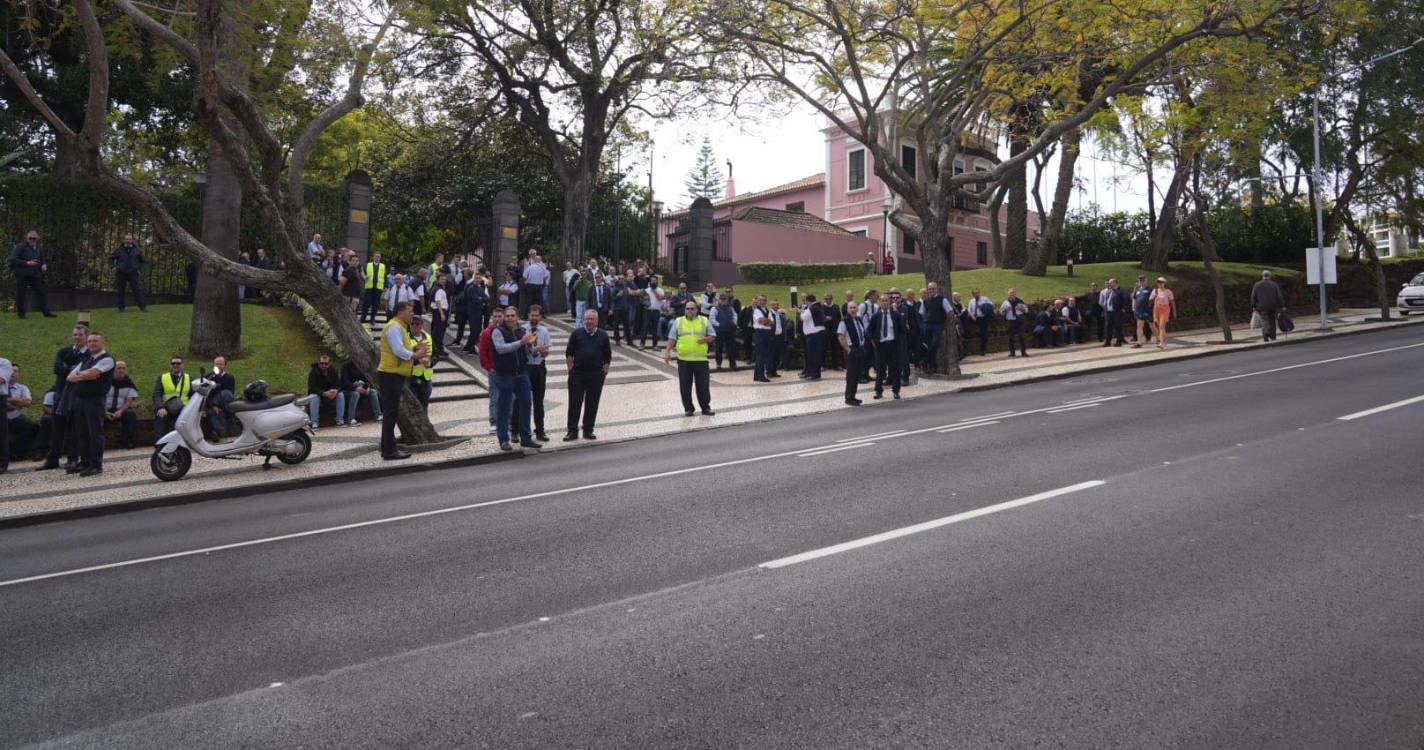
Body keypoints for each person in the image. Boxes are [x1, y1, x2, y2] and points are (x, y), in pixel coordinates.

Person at [377, 301, 425, 460]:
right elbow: (398, 350)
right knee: (390, 413)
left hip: (394, 374)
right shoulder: (394, 327)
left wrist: (413, 350)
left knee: (391, 412)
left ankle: (387, 447)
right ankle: (389, 451)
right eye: (409, 311)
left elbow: (400, 348)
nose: (412, 314)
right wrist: (415, 355)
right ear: (400, 312)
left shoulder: (399, 327)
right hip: (391, 374)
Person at [65, 332, 116, 476]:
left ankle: (96, 464)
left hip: (95, 400)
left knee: (95, 432)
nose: (91, 344)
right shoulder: (87, 359)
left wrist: (82, 375)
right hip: (80, 400)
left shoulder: (108, 359)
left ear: (102, 342)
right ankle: (85, 462)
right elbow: (70, 377)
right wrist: (86, 375)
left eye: (95, 341)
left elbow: (92, 374)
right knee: (82, 432)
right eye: (89, 341)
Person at [491, 306, 539, 451]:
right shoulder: (498, 331)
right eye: (508, 316)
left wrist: (533, 347)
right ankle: (503, 439)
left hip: (522, 373)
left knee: (526, 403)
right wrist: (521, 343)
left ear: (517, 317)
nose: (510, 318)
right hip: (505, 374)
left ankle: (526, 437)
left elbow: (528, 351)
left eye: (513, 315)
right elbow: (501, 348)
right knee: (504, 407)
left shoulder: (522, 331)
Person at [564, 308, 611, 441]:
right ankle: (572, 431)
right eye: (587, 319)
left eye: (592, 319)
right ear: (584, 320)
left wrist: (604, 372)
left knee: (592, 404)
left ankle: (588, 430)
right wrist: (570, 370)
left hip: (596, 375)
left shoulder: (603, 335)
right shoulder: (576, 333)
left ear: (597, 321)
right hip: (577, 374)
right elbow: (569, 352)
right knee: (574, 403)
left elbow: (607, 355)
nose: (589, 321)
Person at [665, 299, 716, 417]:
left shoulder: (704, 320)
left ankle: (705, 408)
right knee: (685, 386)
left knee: (703, 385)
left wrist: (705, 340)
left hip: (701, 360)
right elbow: (672, 338)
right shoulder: (679, 321)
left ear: (697, 310)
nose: (690, 311)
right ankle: (688, 408)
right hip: (684, 360)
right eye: (687, 309)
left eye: (692, 308)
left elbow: (713, 335)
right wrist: (668, 352)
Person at [9, 229, 56, 318]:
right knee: (21, 293)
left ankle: (46, 312)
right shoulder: (20, 247)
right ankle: (21, 314)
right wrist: (27, 263)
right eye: (30, 238)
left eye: (34, 238)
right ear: (27, 238)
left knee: (41, 292)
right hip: (22, 274)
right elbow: (12, 259)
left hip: (34, 274)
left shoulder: (38, 247)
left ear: (37, 238)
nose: (32, 240)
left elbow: (41, 259)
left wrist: (44, 264)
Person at [523, 305, 553, 442]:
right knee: (523, 401)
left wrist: (543, 351)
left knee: (539, 401)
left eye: (537, 315)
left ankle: (540, 430)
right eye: (532, 315)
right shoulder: (523, 329)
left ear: (540, 317)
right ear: (528, 315)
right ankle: (520, 430)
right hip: (526, 367)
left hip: (539, 367)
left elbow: (547, 352)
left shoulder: (544, 331)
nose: (534, 318)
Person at [868, 295, 907, 400]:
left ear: (889, 303)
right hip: (881, 346)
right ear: (880, 302)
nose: (885, 302)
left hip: (893, 345)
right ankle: (878, 391)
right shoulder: (876, 316)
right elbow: (869, 331)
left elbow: (903, 330)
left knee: (895, 369)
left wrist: (899, 342)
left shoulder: (895, 315)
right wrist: (874, 342)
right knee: (880, 370)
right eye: (883, 301)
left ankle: (896, 391)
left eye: (886, 301)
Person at [5, 362, 39, 466]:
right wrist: (18, 402)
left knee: (34, 427)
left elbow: (28, 402)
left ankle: (14, 450)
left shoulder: (22, 388)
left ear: (19, 374)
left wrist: (8, 401)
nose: (12, 373)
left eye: (15, 371)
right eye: (11, 371)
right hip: (2, 418)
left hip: (17, 417)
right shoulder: (2, 387)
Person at [478, 307, 506, 434]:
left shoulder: (507, 331)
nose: (497, 319)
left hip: (506, 370)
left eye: (500, 316)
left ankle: (508, 421)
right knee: (495, 397)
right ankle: (494, 422)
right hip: (494, 370)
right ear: (492, 318)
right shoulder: (487, 332)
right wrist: (488, 368)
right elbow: (482, 352)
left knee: (508, 397)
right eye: (495, 316)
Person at [152, 355, 193, 439]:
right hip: (167, 407)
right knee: (160, 417)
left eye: (178, 363)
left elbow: (193, 395)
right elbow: (157, 394)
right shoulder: (162, 378)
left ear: (183, 365)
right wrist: (160, 407)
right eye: (173, 363)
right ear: (170, 365)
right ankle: (160, 443)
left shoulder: (189, 378)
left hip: (183, 408)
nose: (175, 365)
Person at [108, 232, 149, 312]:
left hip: (133, 273)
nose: (128, 241)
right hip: (121, 272)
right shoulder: (118, 250)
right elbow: (111, 259)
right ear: (124, 240)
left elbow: (144, 262)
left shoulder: (138, 250)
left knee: (137, 290)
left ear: (132, 240)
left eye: (129, 239)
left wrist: (140, 269)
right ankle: (121, 308)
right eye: (126, 239)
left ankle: (143, 307)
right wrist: (113, 267)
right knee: (121, 291)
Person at [838, 301, 869, 405]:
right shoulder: (844, 321)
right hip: (852, 350)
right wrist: (848, 349)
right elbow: (841, 336)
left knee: (856, 375)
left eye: (854, 307)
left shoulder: (858, 319)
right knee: (851, 375)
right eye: (850, 308)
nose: (853, 309)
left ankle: (853, 396)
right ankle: (849, 397)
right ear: (847, 309)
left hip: (859, 349)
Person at [104, 361, 139, 449]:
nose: (121, 370)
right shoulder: (105, 382)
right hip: (104, 409)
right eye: (118, 368)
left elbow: (129, 400)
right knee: (94, 415)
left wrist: (120, 411)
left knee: (130, 415)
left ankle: (128, 441)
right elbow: (99, 397)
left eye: (123, 368)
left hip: (120, 410)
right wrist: (104, 411)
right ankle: (96, 443)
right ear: (113, 370)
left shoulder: (129, 383)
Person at [919, 281, 952, 374]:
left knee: (935, 344)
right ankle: (932, 367)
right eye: (929, 289)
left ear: (937, 289)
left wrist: (945, 323)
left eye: (933, 289)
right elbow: (921, 313)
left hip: (938, 325)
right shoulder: (925, 301)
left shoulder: (942, 299)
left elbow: (950, 312)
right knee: (930, 346)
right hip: (927, 326)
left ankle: (925, 361)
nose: (931, 290)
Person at [307, 355, 345, 430]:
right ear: (318, 363)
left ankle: (340, 420)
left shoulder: (333, 371)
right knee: (314, 396)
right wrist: (324, 393)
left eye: (326, 363)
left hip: (330, 395)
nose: (323, 365)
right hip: (318, 395)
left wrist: (335, 391)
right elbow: (312, 388)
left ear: (329, 364)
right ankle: (314, 423)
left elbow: (339, 385)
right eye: (322, 363)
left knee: (340, 395)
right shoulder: (313, 372)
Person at [339, 358, 382, 426]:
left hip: (362, 388)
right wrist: (355, 388)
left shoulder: (362, 365)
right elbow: (344, 381)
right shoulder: (346, 365)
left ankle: (379, 416)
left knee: (373, 392)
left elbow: (368, 379)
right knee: (355, 394)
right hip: (349, 390)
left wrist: (366, 388)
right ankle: (351, 418)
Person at [797, 292, 828, 380]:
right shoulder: (817, 306)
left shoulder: (812, 308)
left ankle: (814, 374)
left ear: (808, 301)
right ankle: (812, 373)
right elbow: (808, 315)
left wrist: (800, 313)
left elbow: (803, 318)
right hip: (818, 334)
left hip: (814, 335)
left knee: (813, 355)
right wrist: (802, 312)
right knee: (815, 355)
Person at [1250, 269, 1286, 342]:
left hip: (1262, 306)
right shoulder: (1274, 284)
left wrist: (1253, 305)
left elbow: (1253, 296)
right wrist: (1282, 305)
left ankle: (1266, 333)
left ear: (1263, 276)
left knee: (1264, 320)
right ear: (1270, 276)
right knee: (1272, 320)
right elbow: (1279, 296)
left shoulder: (1257, 284)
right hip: (1273, 306)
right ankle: (1273, 336)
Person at [408, 317, 435, 409]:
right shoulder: (406, 338)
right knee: (413, 407)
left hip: (426, 376)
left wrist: (430, 362)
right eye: (412, 324)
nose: (414, 326)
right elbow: (403, 356)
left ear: (422, 325)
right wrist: (417, 360)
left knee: (424, 407)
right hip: (411, 376)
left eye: (417, 324)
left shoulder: (428, 337)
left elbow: (436, 355)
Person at [207, 356, 237, 438]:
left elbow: (229, 393)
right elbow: (205, 394)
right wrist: (213, 405)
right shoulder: (209, 377)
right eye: (216, 364)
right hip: (211, 404)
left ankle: (218, 432)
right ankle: (218, 430)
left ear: (225, 365)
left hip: (224, 403)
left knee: (222, 409)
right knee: (212, 412)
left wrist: (217, 405)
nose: (218, 366)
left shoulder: (230, 378)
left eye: (221, 364)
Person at [460, 271, 489, 353]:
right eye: (476, 278)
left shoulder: (480, 288)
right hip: (473, 311)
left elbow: (485, 297)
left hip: (479, 311)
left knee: (477, 329)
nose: (478, 279)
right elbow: (477, 299)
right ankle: (471, 348)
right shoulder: (471, 288)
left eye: (480, 278)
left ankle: (468, 346)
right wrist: (482, 299)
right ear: (474, 278)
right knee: (474, 330)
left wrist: (482, 299)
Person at [711, 293, 740, 371]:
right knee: (718, 348)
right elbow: (712, 319)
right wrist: (719, 324)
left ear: (727, 300)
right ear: (719, 300)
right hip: (719, 331)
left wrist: (734, 323)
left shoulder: (731, 308)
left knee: (731, 348)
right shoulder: (715, 308)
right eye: (721, 299)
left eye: (725, 299)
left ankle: (733, 364)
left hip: (730, 331)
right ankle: (718, 364)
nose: (723, 300)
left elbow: (735, 316)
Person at [751, 294, 775, 382]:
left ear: (766, 301)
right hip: (760, 333)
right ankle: (761, 376)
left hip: (767, 333)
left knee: (763, 354)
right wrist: (767, 321)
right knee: (760, 355)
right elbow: (761, 321)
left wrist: (767, 321)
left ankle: (756, 375)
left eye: (764, 300)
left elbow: (772, 323)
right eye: (760, 300)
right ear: (757, 301)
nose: (762, 302)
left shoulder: (768, 311)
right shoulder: (756, 310)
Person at [1149, 276, 1177, 349]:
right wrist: (1154, 296)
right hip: (1156, 308)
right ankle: (1163, 341)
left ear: (1164, 283)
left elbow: (1172, 302)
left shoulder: (1168, 291)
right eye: (1158, 282)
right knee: (1160, 327)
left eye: (1161, 282)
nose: (1159, 284)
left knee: (1161, 326)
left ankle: (1161, 343)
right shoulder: (1155, 291)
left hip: (1165, 309)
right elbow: (1150, 299)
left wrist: (1174, 312)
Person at [360, 252, 388, 324]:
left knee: (375, 304)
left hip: (378, 288)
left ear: (380, 258)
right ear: (373, 257)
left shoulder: (383, 266)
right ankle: (363, 318)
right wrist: (364, 277)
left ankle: (372, 319)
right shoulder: (368, 264)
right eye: (376, 256)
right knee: (366, 303)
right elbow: (362, 272)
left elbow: (384, 276)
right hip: (369, 287)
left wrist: (385, 286)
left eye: (379, 257)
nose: (377, 258)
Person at [1000, 289, 1029, 357]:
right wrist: (1006, 309)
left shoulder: (1020, 301)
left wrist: (1020, 309)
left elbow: (1026, 310)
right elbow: (1001, 312)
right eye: (1010, 293)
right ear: (1008, 294)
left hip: (1019, 320)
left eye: (1013, 293)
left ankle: (1023, 352)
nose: (1012, 295)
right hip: (1011, 321)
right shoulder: (1005, 302)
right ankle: (1012, 353)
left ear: (1015, 294)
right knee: (1011, 337)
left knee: (1021, 336)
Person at [1100, 278, 1127, 347]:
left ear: (1115, 283)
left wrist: (1123, 308)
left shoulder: (1120, 290)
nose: (1109, 284)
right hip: (1108, 312)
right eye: (1109, 283)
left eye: (1110, 283)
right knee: (1108, 327)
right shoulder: (1110, 291)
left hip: (1117, 312)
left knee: (1118, 327)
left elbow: (1125, 300)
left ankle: (1119, 342)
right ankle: (1108, 342)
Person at [430, 271, 451, 358]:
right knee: (439, 332)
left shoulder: (438, 288)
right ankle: (437, 350)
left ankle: (438, 349)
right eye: (442, 279)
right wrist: (442, 314)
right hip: (440, 311)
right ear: (438, 280)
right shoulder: (439, 289)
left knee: (437, 331)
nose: (444, 281)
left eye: (445, 279)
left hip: (438, 311)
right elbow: (438, 301)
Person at [967, 288, 994, 355]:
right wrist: (972, 315)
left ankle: (982, 350)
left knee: (984, 334)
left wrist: (985, 308)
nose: (977, 295)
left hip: (983, 318)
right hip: (975, 318)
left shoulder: (985, 299)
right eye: (975, 294)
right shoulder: (971, 301)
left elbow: (992, 306)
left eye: (978, 293)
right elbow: (969, 310)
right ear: (972, 295)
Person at [1131, 275, 1154, 347]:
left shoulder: (1150, 289)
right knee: (1139, 326)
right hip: (1139, 311)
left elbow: (1153, 299)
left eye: (1143, 280)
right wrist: (1134, 307)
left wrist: (1150, 306)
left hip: (1147, 310)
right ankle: (1139, 342)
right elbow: (1135, 298)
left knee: (1152, 326)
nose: (1141, 282)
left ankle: (1159, 339)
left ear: (1146, 280)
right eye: (1140, 280)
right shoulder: (1138, 289)